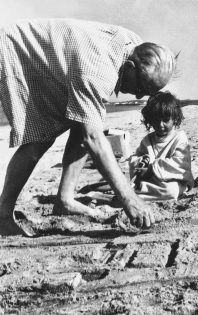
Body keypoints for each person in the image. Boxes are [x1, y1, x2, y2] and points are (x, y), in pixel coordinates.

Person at [0, 18, 177, 236]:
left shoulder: (132, 44)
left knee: (83, 118)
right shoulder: (97, 71)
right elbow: (92, 139)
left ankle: (65, 199)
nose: (139, 95)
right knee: (40, 138)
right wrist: (130, 199)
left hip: (47, 61)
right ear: (130, 67)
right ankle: (3, 215)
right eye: (141, 87)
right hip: (14, 53)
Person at [129, 92, 194, 200]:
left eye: (165, 120)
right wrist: (142, 162)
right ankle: (139, 192)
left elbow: (181, 164)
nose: (160, 125)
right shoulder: (147, 140)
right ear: (149, 120)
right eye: (156, 120)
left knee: (171, 190)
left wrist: (152, 168)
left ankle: (138, 194)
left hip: (175, 180)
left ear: (175, 118)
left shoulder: (179, 138)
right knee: (134, 184)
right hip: (152, 181)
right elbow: (136, 159)